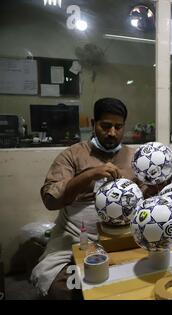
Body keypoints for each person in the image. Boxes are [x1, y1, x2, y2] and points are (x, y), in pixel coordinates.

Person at [31, 98, 159, 299]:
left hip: (125, 235)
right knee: (64, 288)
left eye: (118, 127)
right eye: (106, 126)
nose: (112, 133)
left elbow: (146, 198)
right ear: (93, 124)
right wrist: (89, 175)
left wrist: (159, 183)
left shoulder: (135, 158)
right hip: (76, 236)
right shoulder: (72, 155)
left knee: (143, 278)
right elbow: (51, 200)